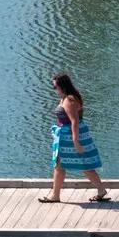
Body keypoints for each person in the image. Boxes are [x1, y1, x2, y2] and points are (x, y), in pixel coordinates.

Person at [40, 72, 109, 203]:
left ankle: (55, 195)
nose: (55, 90)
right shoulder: (71, 96)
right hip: (72, 135)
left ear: (62, 86)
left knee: (61, 166)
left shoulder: (69, 100)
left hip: (70, 137)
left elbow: (74, 122)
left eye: (56, 87)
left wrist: (76, 142)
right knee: (83, 164)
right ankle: (101, 190)